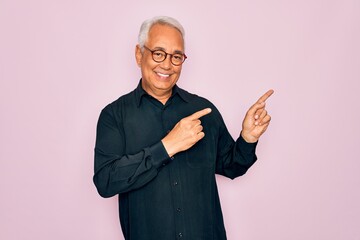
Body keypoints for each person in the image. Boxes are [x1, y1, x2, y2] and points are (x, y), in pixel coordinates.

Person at [93, 16, 273, 240]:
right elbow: (105, 182)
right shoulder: (114, 116)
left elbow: (232, 167)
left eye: (176, 57)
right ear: (139, 55)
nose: (167, 65)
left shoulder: (204, 111)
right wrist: (167, 147)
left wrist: (247, 139)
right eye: (158, 53)